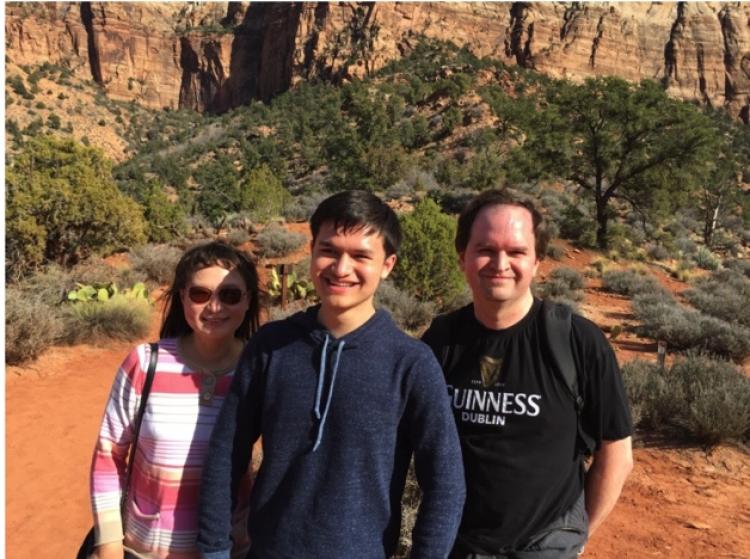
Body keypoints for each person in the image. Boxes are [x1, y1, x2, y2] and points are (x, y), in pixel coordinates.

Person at [197, 190, 466, 559]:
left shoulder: (411, 364)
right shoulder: (271, 346)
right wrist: (213, 549)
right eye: (329, 250)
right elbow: (228, 451)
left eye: (360, 256)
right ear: (312, 252)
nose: (341, 268)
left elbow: (446, 482)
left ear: (387, 264)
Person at [422, 190, 633, 559]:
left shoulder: (577, 341)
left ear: (537, 262)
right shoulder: (441, 340)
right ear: (463, 257)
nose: (500, 263)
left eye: (516, 252)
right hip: (456, 546)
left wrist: (577, 536)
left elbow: (615, 452)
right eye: (485, 249)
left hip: (543, 548)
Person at [89, 241, 261, 559]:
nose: (214, 307)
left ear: (248, 300)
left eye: (230, 295)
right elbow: (108, 455)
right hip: (142, 550)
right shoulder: (144, 364)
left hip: (230, 551)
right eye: (199, 294)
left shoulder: (259, 371)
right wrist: (109, 542)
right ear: (182, 295)